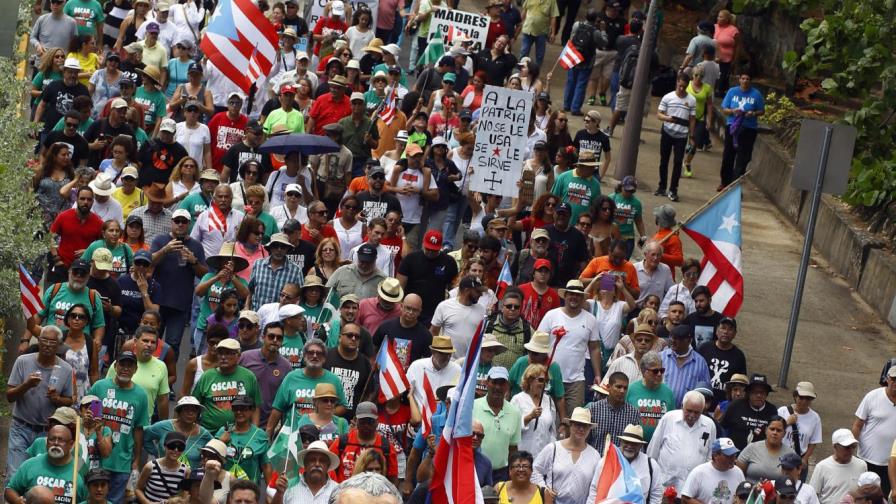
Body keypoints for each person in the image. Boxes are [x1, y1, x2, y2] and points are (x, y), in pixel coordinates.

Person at [5, 326, 76, 479]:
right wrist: (27, 385)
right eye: (44, 340)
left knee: (40, 478)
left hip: (47, 433)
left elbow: (70, 400)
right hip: (21, 427)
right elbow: (9, 396)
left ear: (59, 345)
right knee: (15, 476)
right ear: (38, 341)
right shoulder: (23, 361)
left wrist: (57, 399)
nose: (48, 345)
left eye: (52, 341)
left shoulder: (66, 369)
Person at [87, 351, 149, 502]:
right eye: (122, 364)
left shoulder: (141, 395)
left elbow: (139, 429)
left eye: (130, 365)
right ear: (115, 366)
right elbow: (86, 420)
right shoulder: (99, 387)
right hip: (95, 457)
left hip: (122, 460)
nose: (125, 368)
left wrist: (136, 460)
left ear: (135, 369)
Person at [537, 279, 600, 411]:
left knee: (573, 420)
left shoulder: (591, 320)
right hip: (550, 376)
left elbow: (594, 349)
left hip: (576, 380)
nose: (574, 297)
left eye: (578, 295)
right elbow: (538, 342)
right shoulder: (551, 315)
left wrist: (598, 375)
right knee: (549, 417)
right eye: (571, 294)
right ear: (565, 295)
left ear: (583, 298)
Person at [267, 338, 348, 436]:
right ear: (304, 356)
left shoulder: (333, 379)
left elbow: (343, 406)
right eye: (311, 352)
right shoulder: (291, 377)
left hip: (325, 435)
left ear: (324, 358)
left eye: (319, 353)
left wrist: (324, 413)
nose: (315, 356)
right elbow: (278, 408)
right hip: (293, 436)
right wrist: (268, 435)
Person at [646, 390, 717, 488]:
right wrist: (649, 477)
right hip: (663, 485)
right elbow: (653, 449)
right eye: (689, 411)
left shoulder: (709, 425)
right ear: (682, 406)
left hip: (692, 488)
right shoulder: (668, 418)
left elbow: (710, 457)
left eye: (697, 413)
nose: (692, 415)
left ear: (703, 410)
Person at [191, 338, 262, 432]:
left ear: (239, 355)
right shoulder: (207, 376)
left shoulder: (249, 376)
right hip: (208, 433)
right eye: (220, 353)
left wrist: (254, 433)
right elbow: (195, 405)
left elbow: (255, 407)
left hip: (239, 434)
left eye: (228, 353)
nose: (223, 357)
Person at [532, 407, 601, 504]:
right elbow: (535, 470)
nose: (581, 429)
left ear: (589, 429)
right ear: (570, 425)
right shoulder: (553, 448)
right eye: (578, 425)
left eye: (585, 426)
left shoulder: (595, 456)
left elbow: (597, 486)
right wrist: (544, 490)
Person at [5, 424, 87, 504]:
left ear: (71, 444)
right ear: (47, 442)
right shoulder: (31, 464)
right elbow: (10, 489)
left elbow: (90, 499)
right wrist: (16, 500)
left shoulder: (81, 468)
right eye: (52, 439)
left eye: (61, 440)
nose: (56, 443)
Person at [588, 424, 663, 503]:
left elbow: (656, 494)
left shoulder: (651, 465)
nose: (629, 446)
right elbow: (594, 489)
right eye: (626, 442)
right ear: (621, 441)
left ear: (641, 445)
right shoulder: (606, 461)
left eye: (634, 443)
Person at [106, 325, 170, 418]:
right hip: (116, 422)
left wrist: (164, 428)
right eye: (145, 341)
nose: (149, 345)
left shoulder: (161, 366)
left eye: (153, 342)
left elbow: (163, 400)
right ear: (135, 342)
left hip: (143, 426)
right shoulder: (120, 364)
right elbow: (106, 390)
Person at [397, 229, 459, 324]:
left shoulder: (449, 262)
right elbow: (400, 286)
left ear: (440, 248)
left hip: (434, 312)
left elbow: (454, 288)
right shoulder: (410, 259)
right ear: (423, 244)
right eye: (428, 249)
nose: (430, 252)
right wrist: (400, 307)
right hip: (410, 309)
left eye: (433, 250)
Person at [473, 367, 522, 482]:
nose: (498, 387)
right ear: (486, 383)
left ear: (507, 386)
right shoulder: (473, 406)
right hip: (475, 469)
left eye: (502, 383)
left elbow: (513, 448)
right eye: (494, 382)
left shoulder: (515, 412)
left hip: (501, 473)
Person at [239, 321, 292, 426]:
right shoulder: (245, 357)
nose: (275, 340)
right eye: (271, 336)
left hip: (268, 425)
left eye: (279, 338)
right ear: (263, 337)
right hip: (241, 419)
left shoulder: (286, 367)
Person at [852, 368, 896, 494]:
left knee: (884, 497)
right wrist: (852, 448)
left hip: (891, 464)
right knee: (863, 496)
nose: (895, 383)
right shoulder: (873, 396)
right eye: (893, 379)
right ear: (887, 379)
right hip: (866, 459)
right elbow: (857, 425)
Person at [47, 186, 104, 282]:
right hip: (62, 267)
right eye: (82, 199)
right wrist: (56, 259)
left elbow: (102, 245)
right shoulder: (63, 216)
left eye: (89, 199)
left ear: (93, 202)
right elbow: (50, 237)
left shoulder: (98, 222)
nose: (85, 202)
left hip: (84, 270)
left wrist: (88, 251)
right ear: (76, 199)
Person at [719, 72, 765, 189]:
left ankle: (735, 186)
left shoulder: (756, 94)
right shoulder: (732, 92)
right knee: (728, 156)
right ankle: (725, 182)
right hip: (733, 127)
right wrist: (732, 111)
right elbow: (724, 108)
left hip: (748, 129)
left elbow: (761, 110)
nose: (745, 81)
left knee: (743, 158)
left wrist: (753, 113)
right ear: (739, 80)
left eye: (747, 79)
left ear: (750, 81)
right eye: (743, 78)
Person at [143, 395, 213, 470]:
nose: (190, 413)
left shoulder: (204, 434)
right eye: (186, 409)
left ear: (198, 414)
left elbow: (215, 451)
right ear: (179, 412)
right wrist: (156, 453)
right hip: (162, 473)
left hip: (190, 478)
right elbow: (144, 436)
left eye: (194, 410)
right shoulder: (163, 426)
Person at [431, 275, 488, 359]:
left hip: (469, 363)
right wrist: (439, 354)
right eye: (477, 291)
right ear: (466, 290)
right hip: (447, 360)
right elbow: (433, 332)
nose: (481, 295)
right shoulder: (444, 306)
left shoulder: (482, 309)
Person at [406, 335, 461, 418]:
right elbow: (407, 390)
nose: (447, 357)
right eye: (442, 354)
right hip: (421, 419)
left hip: (445, 421)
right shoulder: (417, 366)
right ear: (432, 351)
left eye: (449, 354)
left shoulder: (457, 370)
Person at [587, 371, 641, 453]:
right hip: (596, 460)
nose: (622, 391)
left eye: (625, 388)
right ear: (609, 387)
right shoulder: (594, 409)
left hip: (620, 462)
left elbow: (636, 443)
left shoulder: (633, 413)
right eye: (618, 387)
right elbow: (586, 440)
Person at [270, 440, 340, 503]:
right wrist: (279, 493)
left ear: (328, 465)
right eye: (312, 460)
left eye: (322, 461)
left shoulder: (338, 491)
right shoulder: (289, 485)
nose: (317, 464)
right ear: (305, 464)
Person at [325, 321, 373, 413]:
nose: (353, 338)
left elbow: (368, 393)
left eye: (357, 337)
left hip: (352, 421)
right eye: (349, 335)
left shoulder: (365, 363)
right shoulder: (326, 356)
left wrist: (360, 416)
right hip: (326, 417)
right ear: (339, 337)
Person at [247, 232, 305, 308]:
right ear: (270, 248)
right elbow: (250, 290)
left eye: (283, 247)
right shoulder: (258, 264)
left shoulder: (296, 270)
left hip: (281, 317)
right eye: (275, 246)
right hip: (257, 315)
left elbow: (299, 297)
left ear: (287, 249)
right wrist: (246, 306)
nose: (279, 250)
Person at [721, 374, 778, 450]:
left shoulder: (772, 410)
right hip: (734, 455)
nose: (759, 395)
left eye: (762, 392)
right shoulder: (736, 406)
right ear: (748, 393)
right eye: (755, 392)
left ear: (766, 394)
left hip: (759, 456)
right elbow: (721, 428)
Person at [510, 363, 557, 457]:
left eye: (546, 381)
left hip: (543, 454)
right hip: (523, 455)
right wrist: (529, 417)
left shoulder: (549, 400)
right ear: (530, 380)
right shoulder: (517, 399)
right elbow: (511, 429)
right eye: (540, 380)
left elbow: (552, 431)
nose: (543, 384)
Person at [809, 429, 867, 504]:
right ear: (835, 447)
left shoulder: (861, 465)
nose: (850, 450)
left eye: (853, 446)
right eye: (847, 447)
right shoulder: (822, 467)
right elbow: (812, 495)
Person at [681, 438, 745, 504]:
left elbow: (744, 497)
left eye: (734, 455)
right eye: (729, 456)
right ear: (715, 455)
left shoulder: (738, 472)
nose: (733, 459)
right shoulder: (699, 472)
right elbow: (685, 498)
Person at [660, 324, 711, 407]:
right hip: (660, 409)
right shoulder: (661, 357)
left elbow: (705, 391)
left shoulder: (700, 362)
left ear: (689, 341)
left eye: (677, 339)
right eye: (672, 337)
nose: (673, 341)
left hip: (686, 413)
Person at [778, 382, 822, 475]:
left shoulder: (815, 418)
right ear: (795, 396)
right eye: (801, 397)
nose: (804, 401)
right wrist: (786, 423)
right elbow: (773, 431)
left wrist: (805, 459)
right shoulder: (782, 411)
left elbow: (813, 442)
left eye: (808, 398)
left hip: (798, 460)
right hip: (779, 457)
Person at [136, 430, 191, 504]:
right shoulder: (150, 466)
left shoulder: (185, 471)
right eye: (172, 446)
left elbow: (186, 495)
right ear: (165, 446)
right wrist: (147, 503)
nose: (176, 450)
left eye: (180, 447)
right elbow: (138, 489)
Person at [736, 416, 796, 483]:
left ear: (784, 434)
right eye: (772, 429)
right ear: (766, 430)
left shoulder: (790, 454)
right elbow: (738, 475)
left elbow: (792, 481)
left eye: (779, 430)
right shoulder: (751, 448)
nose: (775, 433)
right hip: (749, 491)